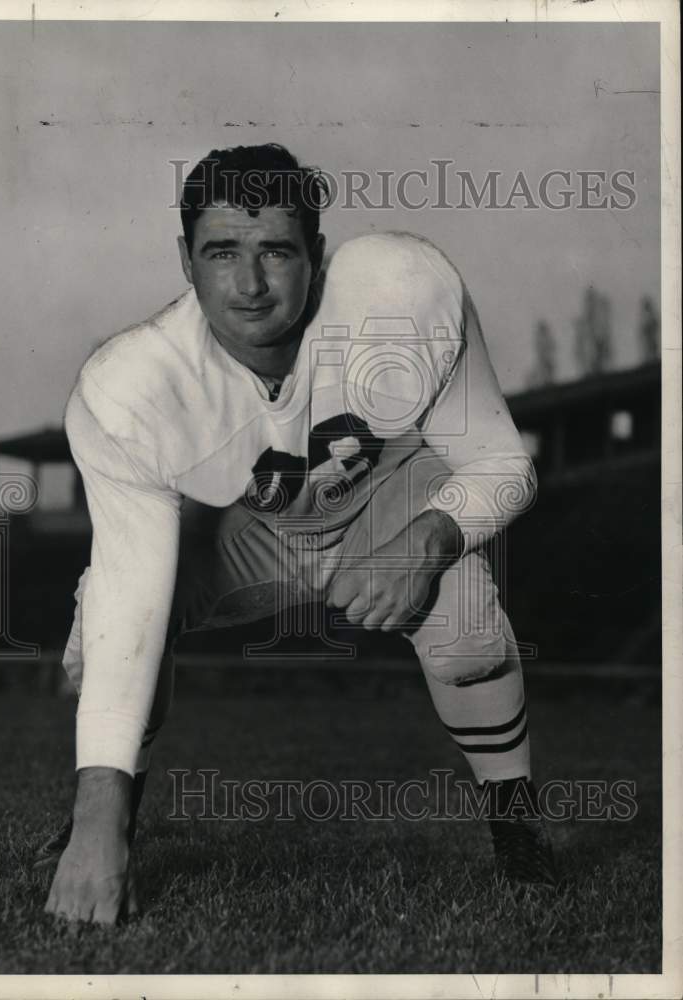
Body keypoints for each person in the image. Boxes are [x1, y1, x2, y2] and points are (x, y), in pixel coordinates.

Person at [41, 143, 557, 925]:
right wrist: (94, 824)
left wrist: (429, 540)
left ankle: (517, 830)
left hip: (387, 504)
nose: (249, 284)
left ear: (316, 254)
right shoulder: (132, 386)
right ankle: (114, 824)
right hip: (243, 533)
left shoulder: (398, 294)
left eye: (275, 251)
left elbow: (502, 464)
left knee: (468, 635)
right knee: (101, 637)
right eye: (222, 252)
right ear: (184, 259)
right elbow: (130, 598)